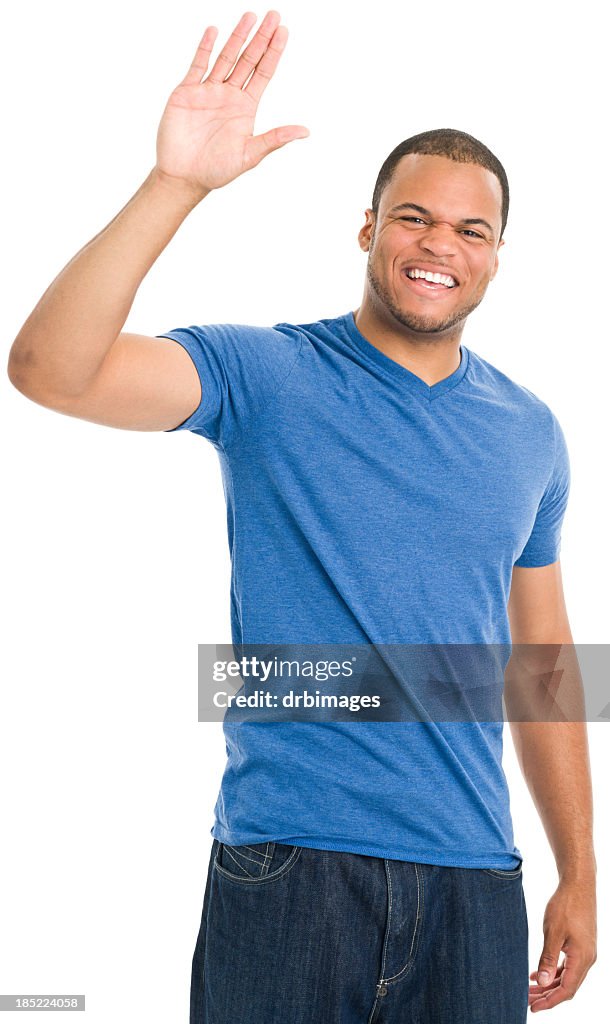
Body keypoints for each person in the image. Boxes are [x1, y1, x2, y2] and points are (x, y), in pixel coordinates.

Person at [7, 10, 597, 1023]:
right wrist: (175, 186)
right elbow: (49, 371)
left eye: (470, 228)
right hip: (290, 870)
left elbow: (539, 660)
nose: (438, 245)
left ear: (497, 255)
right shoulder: (268, 373)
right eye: (413, 216)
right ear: (369, 228)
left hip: (472, 877)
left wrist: (580, 871)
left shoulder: (530, 433)